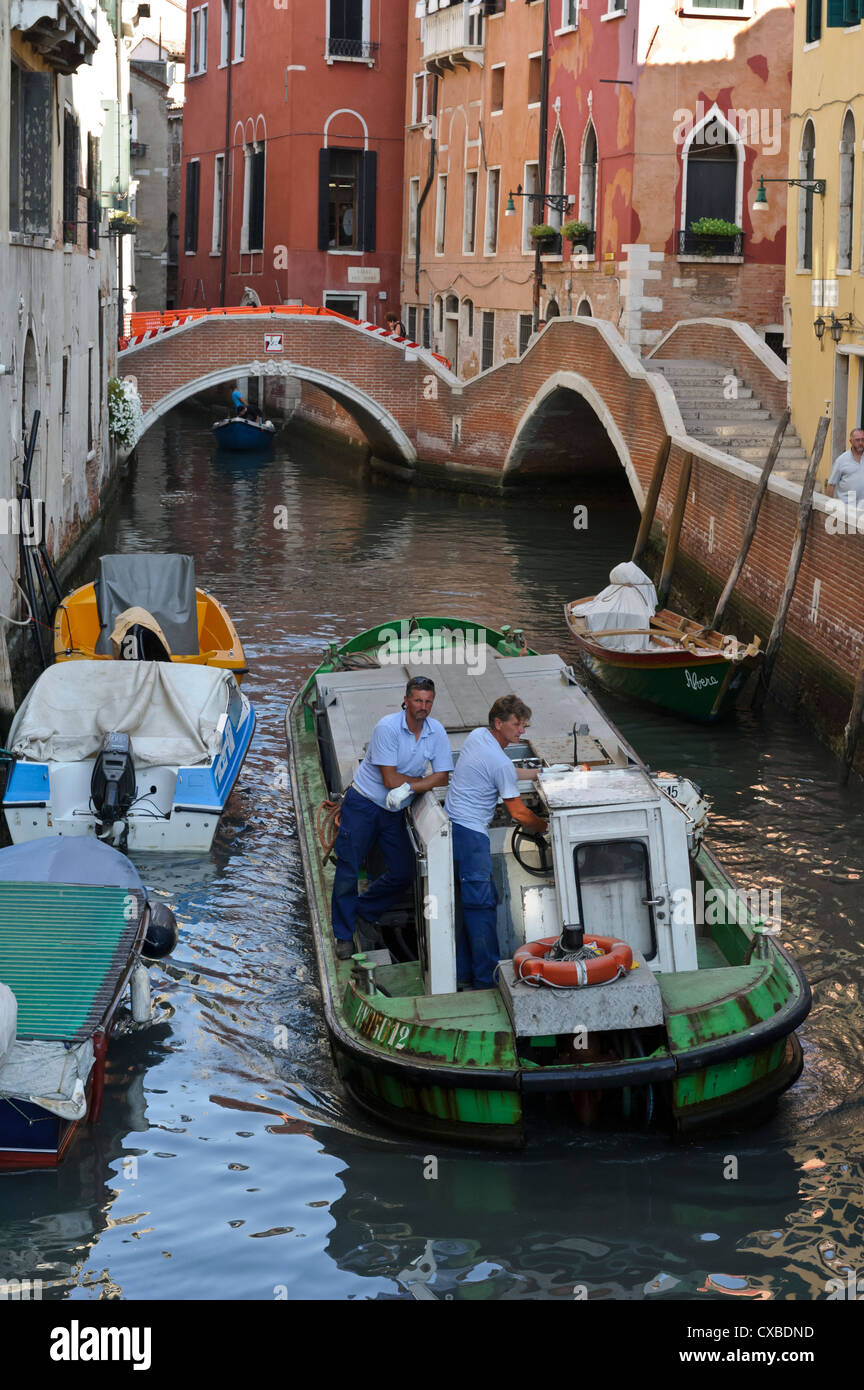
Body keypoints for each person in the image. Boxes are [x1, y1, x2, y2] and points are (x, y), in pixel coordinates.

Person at [331, 676, 453, 959]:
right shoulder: (387, 728)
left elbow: (444, 775)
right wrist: (420, 782)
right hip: (364, 805)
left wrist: (409, 786)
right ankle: (343, 935)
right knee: (348, 870)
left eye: (428, 701)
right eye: (418, 700)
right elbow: (389, 779)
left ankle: (364, 910)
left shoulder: (436, 732)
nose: (423, 706)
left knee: (403, 871)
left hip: (394, 809)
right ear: (407, 700)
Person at [445, 694, 548, 989]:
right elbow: (517, 812)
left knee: (463, 908)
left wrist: (541, 773)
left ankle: (463, 973)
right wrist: (545, 827)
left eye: (524, 725)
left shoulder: (479, 737)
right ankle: (486, 980)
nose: (522, 731)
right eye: (517, 724)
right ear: (498, 722)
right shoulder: (499, 762)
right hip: (473, 837)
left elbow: (505, 771)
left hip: (451, 828)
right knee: (481, 909)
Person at [826, 427, 864, 507]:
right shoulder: (841, 460)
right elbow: (831, 485)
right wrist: (828, 508)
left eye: (863, 440)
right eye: (857, 440)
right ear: (851, 441)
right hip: (846, 509)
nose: (861, 443)